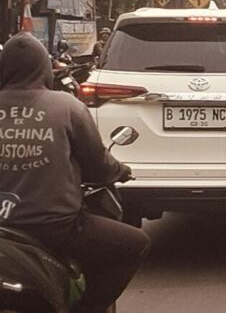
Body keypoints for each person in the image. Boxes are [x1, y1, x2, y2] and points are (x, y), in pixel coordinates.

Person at [0, 33, 150, 313]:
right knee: (136, 244)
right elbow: (99, 165)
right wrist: (120, 171)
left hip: (4, 230)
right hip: (55, 228)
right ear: (44, 68)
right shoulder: (67, 107)